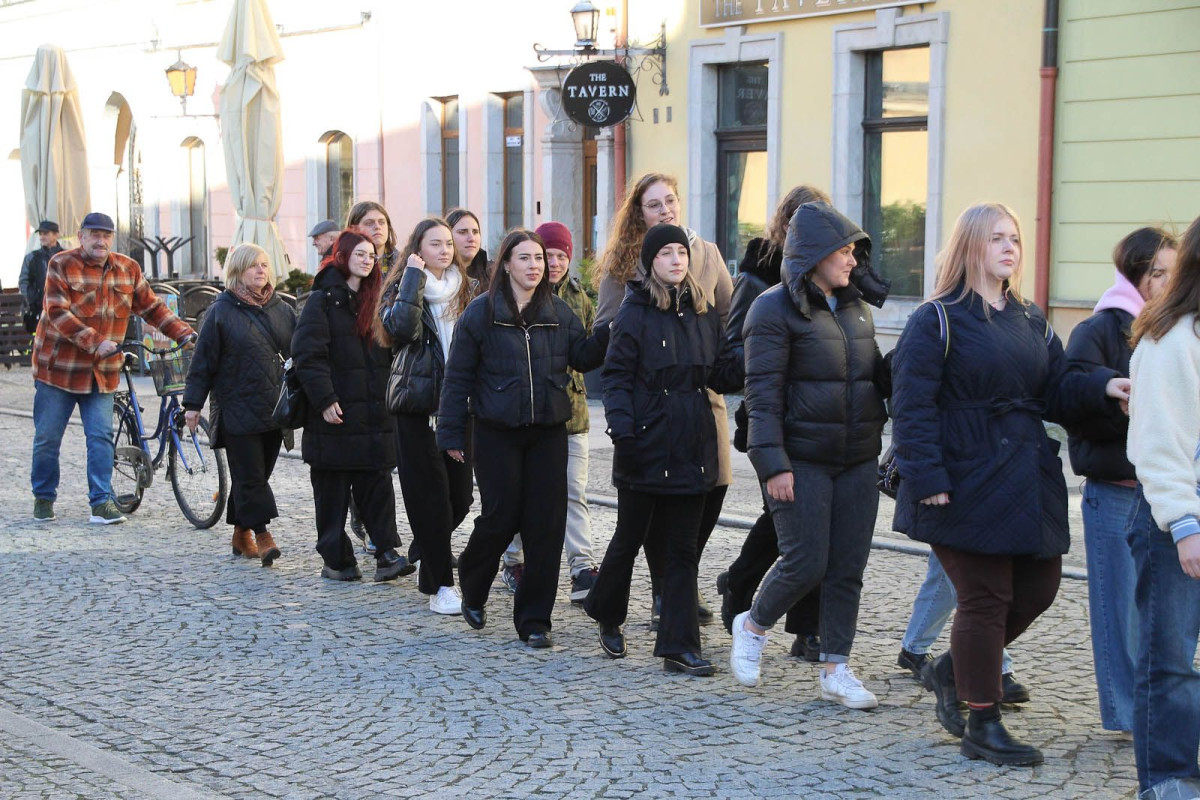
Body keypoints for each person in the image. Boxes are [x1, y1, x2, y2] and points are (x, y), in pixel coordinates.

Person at [889, 202, 1114, 766]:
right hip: (961, 475)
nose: (1010, 247)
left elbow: (1058, 390)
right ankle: (982, 722)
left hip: (1025, 474)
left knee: (1039, 588)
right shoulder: (936, 319)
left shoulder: (1030, 318)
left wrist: (1105, 388)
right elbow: (911, 406)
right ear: (971, 246)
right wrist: (928, 477)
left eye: (1014, 237)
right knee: (985, 598)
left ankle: (952, 668)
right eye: (996, 238)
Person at [728, 202, 889, 711]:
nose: (853, 260)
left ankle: (836, 668)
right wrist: (772, 464)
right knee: (805, 562)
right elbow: (761, 396)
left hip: (858, 457)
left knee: (847, 568)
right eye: (844, 251)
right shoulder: (771, 309)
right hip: (801, 460)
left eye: (854, 251)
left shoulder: (856, 307)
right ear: (816, 254)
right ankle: (753, 626)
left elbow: (871, 376)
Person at [436, 229, 608, 647]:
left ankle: (534, 620)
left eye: (539, 258)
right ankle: (473, 579)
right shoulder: (481, 312)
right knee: (501, 517)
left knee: (546, 526)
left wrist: (609, 329)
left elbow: (583, 356)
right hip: (496, 432)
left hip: (549, 431)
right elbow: (457, 377)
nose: (535, 266)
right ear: (507, 264)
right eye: (525, 258)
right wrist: (451, 432)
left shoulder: (558, 311)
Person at [585, 224, 743, 676]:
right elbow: (615, 378)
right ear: (651, 262)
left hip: (692, 443)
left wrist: (752, 353)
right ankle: (607, 610)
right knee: (629, 539)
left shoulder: (703, 312)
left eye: (681, 252)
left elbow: (720, 375)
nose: (676, 259)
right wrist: (623, 432)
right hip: (644, 442)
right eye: (666, 253)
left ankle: (678, 646)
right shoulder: (633, 312)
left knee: (682, 550)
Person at [1060, 226, 1177, 734]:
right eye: (1157, 273)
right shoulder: (1100, 328)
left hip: (1169, 493)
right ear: (1134, 275)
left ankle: (1159, 711)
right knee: (1120, 614)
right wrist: (1109, 390)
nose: (1168, 282)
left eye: (1174, 272)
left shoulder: (1179, 329)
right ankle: (1129, 717)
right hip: (1116, 490)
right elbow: (1065, 395)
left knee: (1167, 613)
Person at [717, 185, 832, 660]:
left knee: (808, 523)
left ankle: (806, 628)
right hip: (773, 422)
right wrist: (776, 352)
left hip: (822, 420)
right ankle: (741, 585)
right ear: (785, 226)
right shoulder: (756, 277)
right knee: (796, 528)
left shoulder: (832, 279)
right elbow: (729, 359)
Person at [30, 212, 194, 524]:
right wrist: (95, 342)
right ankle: (44, 496)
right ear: (81, 236)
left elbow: (152, 308)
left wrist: (183, 333)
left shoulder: (127, 269)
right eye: (94, 234)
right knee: (48, 438)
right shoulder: (61, 264)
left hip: (101, 371)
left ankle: (101, 502)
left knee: (101, 437)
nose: (100, 240)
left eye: (106, 235)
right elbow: (57, 312)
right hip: (59, 371)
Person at [1126, 214, 1200, 800]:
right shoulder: (1171, 339)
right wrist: (1184, 523)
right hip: (1173, 520)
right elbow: (1158, 442)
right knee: (1170, 660)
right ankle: (1169, 780)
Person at [291, 230, 414, 583]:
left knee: (377, 485)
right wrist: (325, 399)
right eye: (360, 253)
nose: (367, 260)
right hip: (334, 413)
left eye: (372, 255)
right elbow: (307, 355)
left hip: (374, 413)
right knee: (332, 491)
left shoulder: (378, 300)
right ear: (343, 256)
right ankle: (337, 559)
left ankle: (387, 554)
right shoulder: (322, 299)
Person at [376, 218, 474, 615]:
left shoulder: (466, 288)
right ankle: (441, 587)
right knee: (430, 499)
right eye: (435, 243)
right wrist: (413, 279)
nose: (445, 250)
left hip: (459, 407)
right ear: (417, 249)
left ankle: (425, 550)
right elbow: (400, 330)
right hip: (417, 406)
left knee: (460, 498)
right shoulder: (402, 288)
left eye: (448, 243)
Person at [500, 222, 601, 603]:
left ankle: (582, 567)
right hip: (528, 414)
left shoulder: (579, 299)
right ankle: (514, 560)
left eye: (561, 256)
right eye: (548, 255)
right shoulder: (516, 298)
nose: (554, 263)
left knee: (574, 491)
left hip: (572, 412)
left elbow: (586, 351)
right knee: (522, 493)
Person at [183, 243, 297, 566]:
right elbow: (203, 361)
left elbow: (298, 352)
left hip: (274, 408)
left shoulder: (282, 309)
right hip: (236, 407)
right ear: (237, 271)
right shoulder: (220, 311)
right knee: (251, 477)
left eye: (264, 265)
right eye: (252, 265)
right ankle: (263, 535)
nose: (261, 270)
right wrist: (192, 403)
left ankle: (240, 532)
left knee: (255, 475)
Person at [20, 220, 65, 333]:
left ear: (56, 235)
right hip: (38, 310)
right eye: (40, 234)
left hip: (63, 309)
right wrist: (31, 299)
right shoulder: (31, 257)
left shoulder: (66, 256)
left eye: (45, 233)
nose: (41, 237)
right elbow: (23, 282)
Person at [346, 201, 401, 274]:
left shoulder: (402, 264)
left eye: (381, 222)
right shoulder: (342, 264)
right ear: (354, 229)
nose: (377, 227)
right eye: (369, 223)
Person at [445, 208, 489, 288]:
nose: (472, 239)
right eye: (462, 232)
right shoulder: (433, 276)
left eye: (475, 232)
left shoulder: (494, 274)